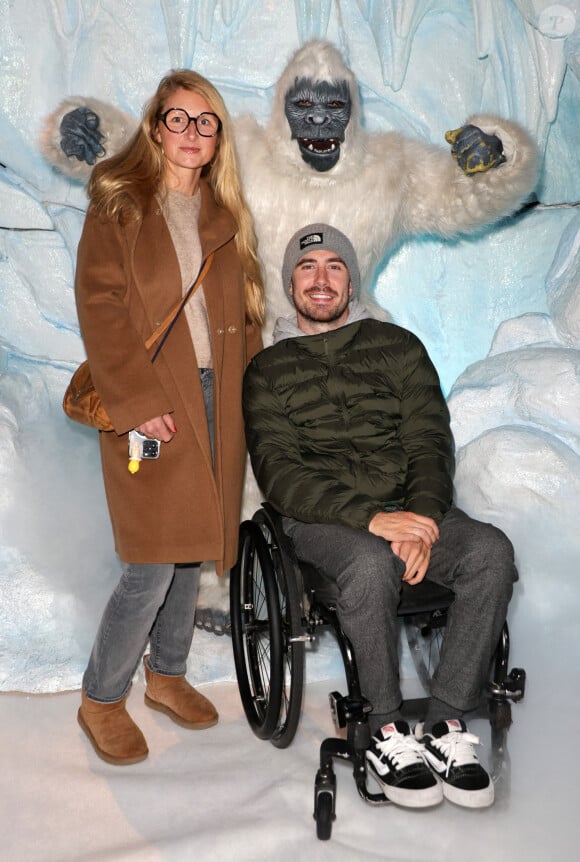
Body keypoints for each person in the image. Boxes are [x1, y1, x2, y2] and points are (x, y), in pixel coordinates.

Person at [242, 223, 517, 809]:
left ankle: (445, 724)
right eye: (307, 267)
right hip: (322, 519)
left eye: (334, 266)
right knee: (369, 565)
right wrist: (376, 521)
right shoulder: (266, 370)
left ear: (351, 280)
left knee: (490, 552)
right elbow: (280, 472)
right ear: (290, 283)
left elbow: (428, 441)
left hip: (412, 508)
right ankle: (386, 729)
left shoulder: (398, 347)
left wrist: (418, 519)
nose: (321, 279)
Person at [74, 69, 264, 766]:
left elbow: (245, 317)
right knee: (151, 564)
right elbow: (101, 307)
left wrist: (256, 395)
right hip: (151, 399)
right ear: (156, 128)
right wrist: (137, 401)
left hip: (219, 396)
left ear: (217, 139)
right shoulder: (120, 204)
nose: (191, 133)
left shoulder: (223, 215)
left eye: (205, 121)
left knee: (193, 547)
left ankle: (168, 674)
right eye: (178, 119)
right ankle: (100, 696)